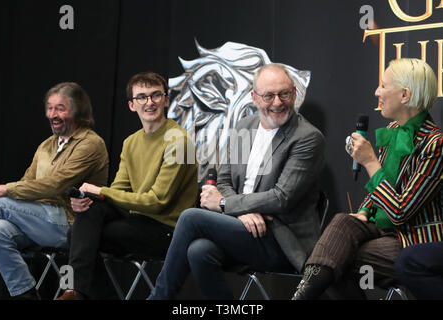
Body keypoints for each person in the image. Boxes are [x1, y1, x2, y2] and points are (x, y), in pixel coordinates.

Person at [147, 63, 325, 299]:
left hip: (281, 240)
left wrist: (224, 205)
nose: (278, 102)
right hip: (244, 229)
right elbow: (224, 181)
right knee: (199, 251)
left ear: (294, 92)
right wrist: (240, 212)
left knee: (191, 218)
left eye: (284, 93)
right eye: (268, 96)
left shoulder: (307, 138)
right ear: (253, 97)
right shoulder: (245, 127)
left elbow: (281, 198)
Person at [291, 58, 443, 300]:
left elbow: (400, 211)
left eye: (383, 86)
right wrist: (364, 211)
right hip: (384, 232)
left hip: (416, 241)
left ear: (405, 95)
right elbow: (378, 192)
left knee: (337, 257)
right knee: (343, 221)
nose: (376, 92)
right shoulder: (392, 129)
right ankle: (301, 295)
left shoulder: (435, 145)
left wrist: (370, 161)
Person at [57, 71, 198, 300]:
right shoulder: (131, 142)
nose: (149, 102)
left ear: (166, 100)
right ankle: (74, 290)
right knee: (87, 215)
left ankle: (75, 291)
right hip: (138, 220)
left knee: (79, 236)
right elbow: (119, 191)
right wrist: (88, 197)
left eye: (155, 95)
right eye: (141, 97)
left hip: (167, 230)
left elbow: (157, 202)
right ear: (132, 105)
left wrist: (99, 191)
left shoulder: (179, 141)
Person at [0, 82, 109, 299]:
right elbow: (27, 183)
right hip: (36, 220)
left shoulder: (91, 144)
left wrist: (4, 189)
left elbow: (56, 184)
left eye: (60, 108)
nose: (52, 114)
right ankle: (25, 295)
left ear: (78, 110)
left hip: (70, 224)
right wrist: (13, 192)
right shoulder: (46, 145)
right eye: (49, 107)